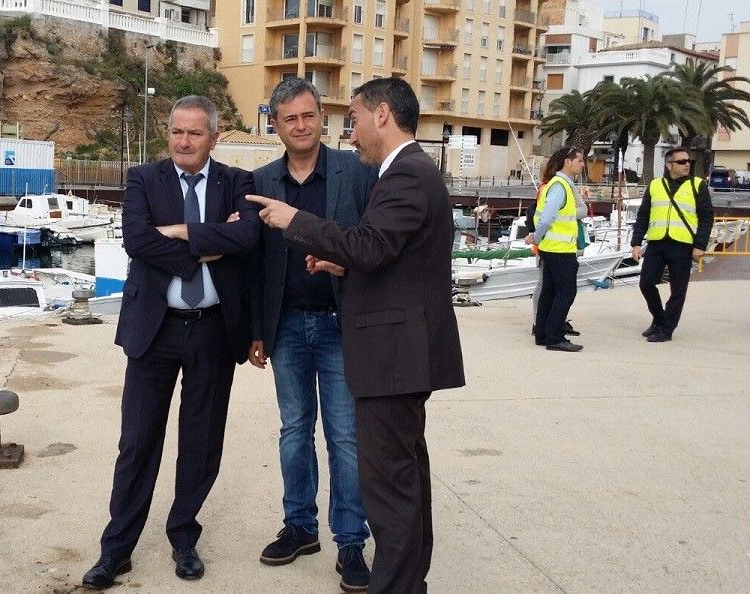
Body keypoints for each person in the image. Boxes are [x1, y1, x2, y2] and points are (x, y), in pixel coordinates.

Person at [247, 77, 465, 594]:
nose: (353, 133)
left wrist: (296, 221)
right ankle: (402, 577)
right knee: (398, 480)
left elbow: (369, 244)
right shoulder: (409, 171)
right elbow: (390, 256)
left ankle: (384, 573)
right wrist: (347, 267)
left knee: (388, 484)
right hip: (373, 347)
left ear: (383, 115)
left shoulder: (403, 174)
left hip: (390, 355)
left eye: (357, 120)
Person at [81, 95, 261, 590]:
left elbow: (247, 239)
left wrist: (182, 232)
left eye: (195, 133)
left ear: (213, 137)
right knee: (137, 441)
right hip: (153, 330)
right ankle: (116, 549)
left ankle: (184, 537)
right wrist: (205, 249)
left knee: (201, 444)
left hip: (211, 329)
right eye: (177, 132)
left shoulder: (236, 182)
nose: (183, 141)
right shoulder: (144, 178)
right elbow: (137, 241)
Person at [246, 78, 377, 593]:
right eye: (289, 118)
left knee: (345, 436)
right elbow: (256, 265)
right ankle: (300, 526)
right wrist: (258, 329)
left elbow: (372, 243)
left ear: (323, 117)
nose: (300, 126)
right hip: (286, 328)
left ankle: (350, 541)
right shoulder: (261, 181)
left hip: (340, 324)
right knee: (294, 430)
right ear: (274, 124)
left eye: (308, 115)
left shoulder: (355, 173)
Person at [630, 147, 713, 342]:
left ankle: (667, 329)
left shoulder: (697, 185)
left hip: (682, 244)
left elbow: (707, 218)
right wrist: (636, 243)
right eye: (682, 162)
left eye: (688, 162)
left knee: (678, 290)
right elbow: (643, 215)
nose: (687, 165)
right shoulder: (655, 185)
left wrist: (700, 245)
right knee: (646, 283)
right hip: (657, 243)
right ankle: (659, 319)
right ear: (669, 165)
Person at [526, 147, 585, 352]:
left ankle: (542, 334)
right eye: (579, 160)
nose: (582, 164)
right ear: (567, 162)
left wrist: (538, 238)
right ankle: (555, 337)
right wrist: (537, 236)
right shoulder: (560, 186)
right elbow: (547, 217)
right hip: (560, 249)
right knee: (566, 292)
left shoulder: (556, 184)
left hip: (550, 248)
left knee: (549, 292)